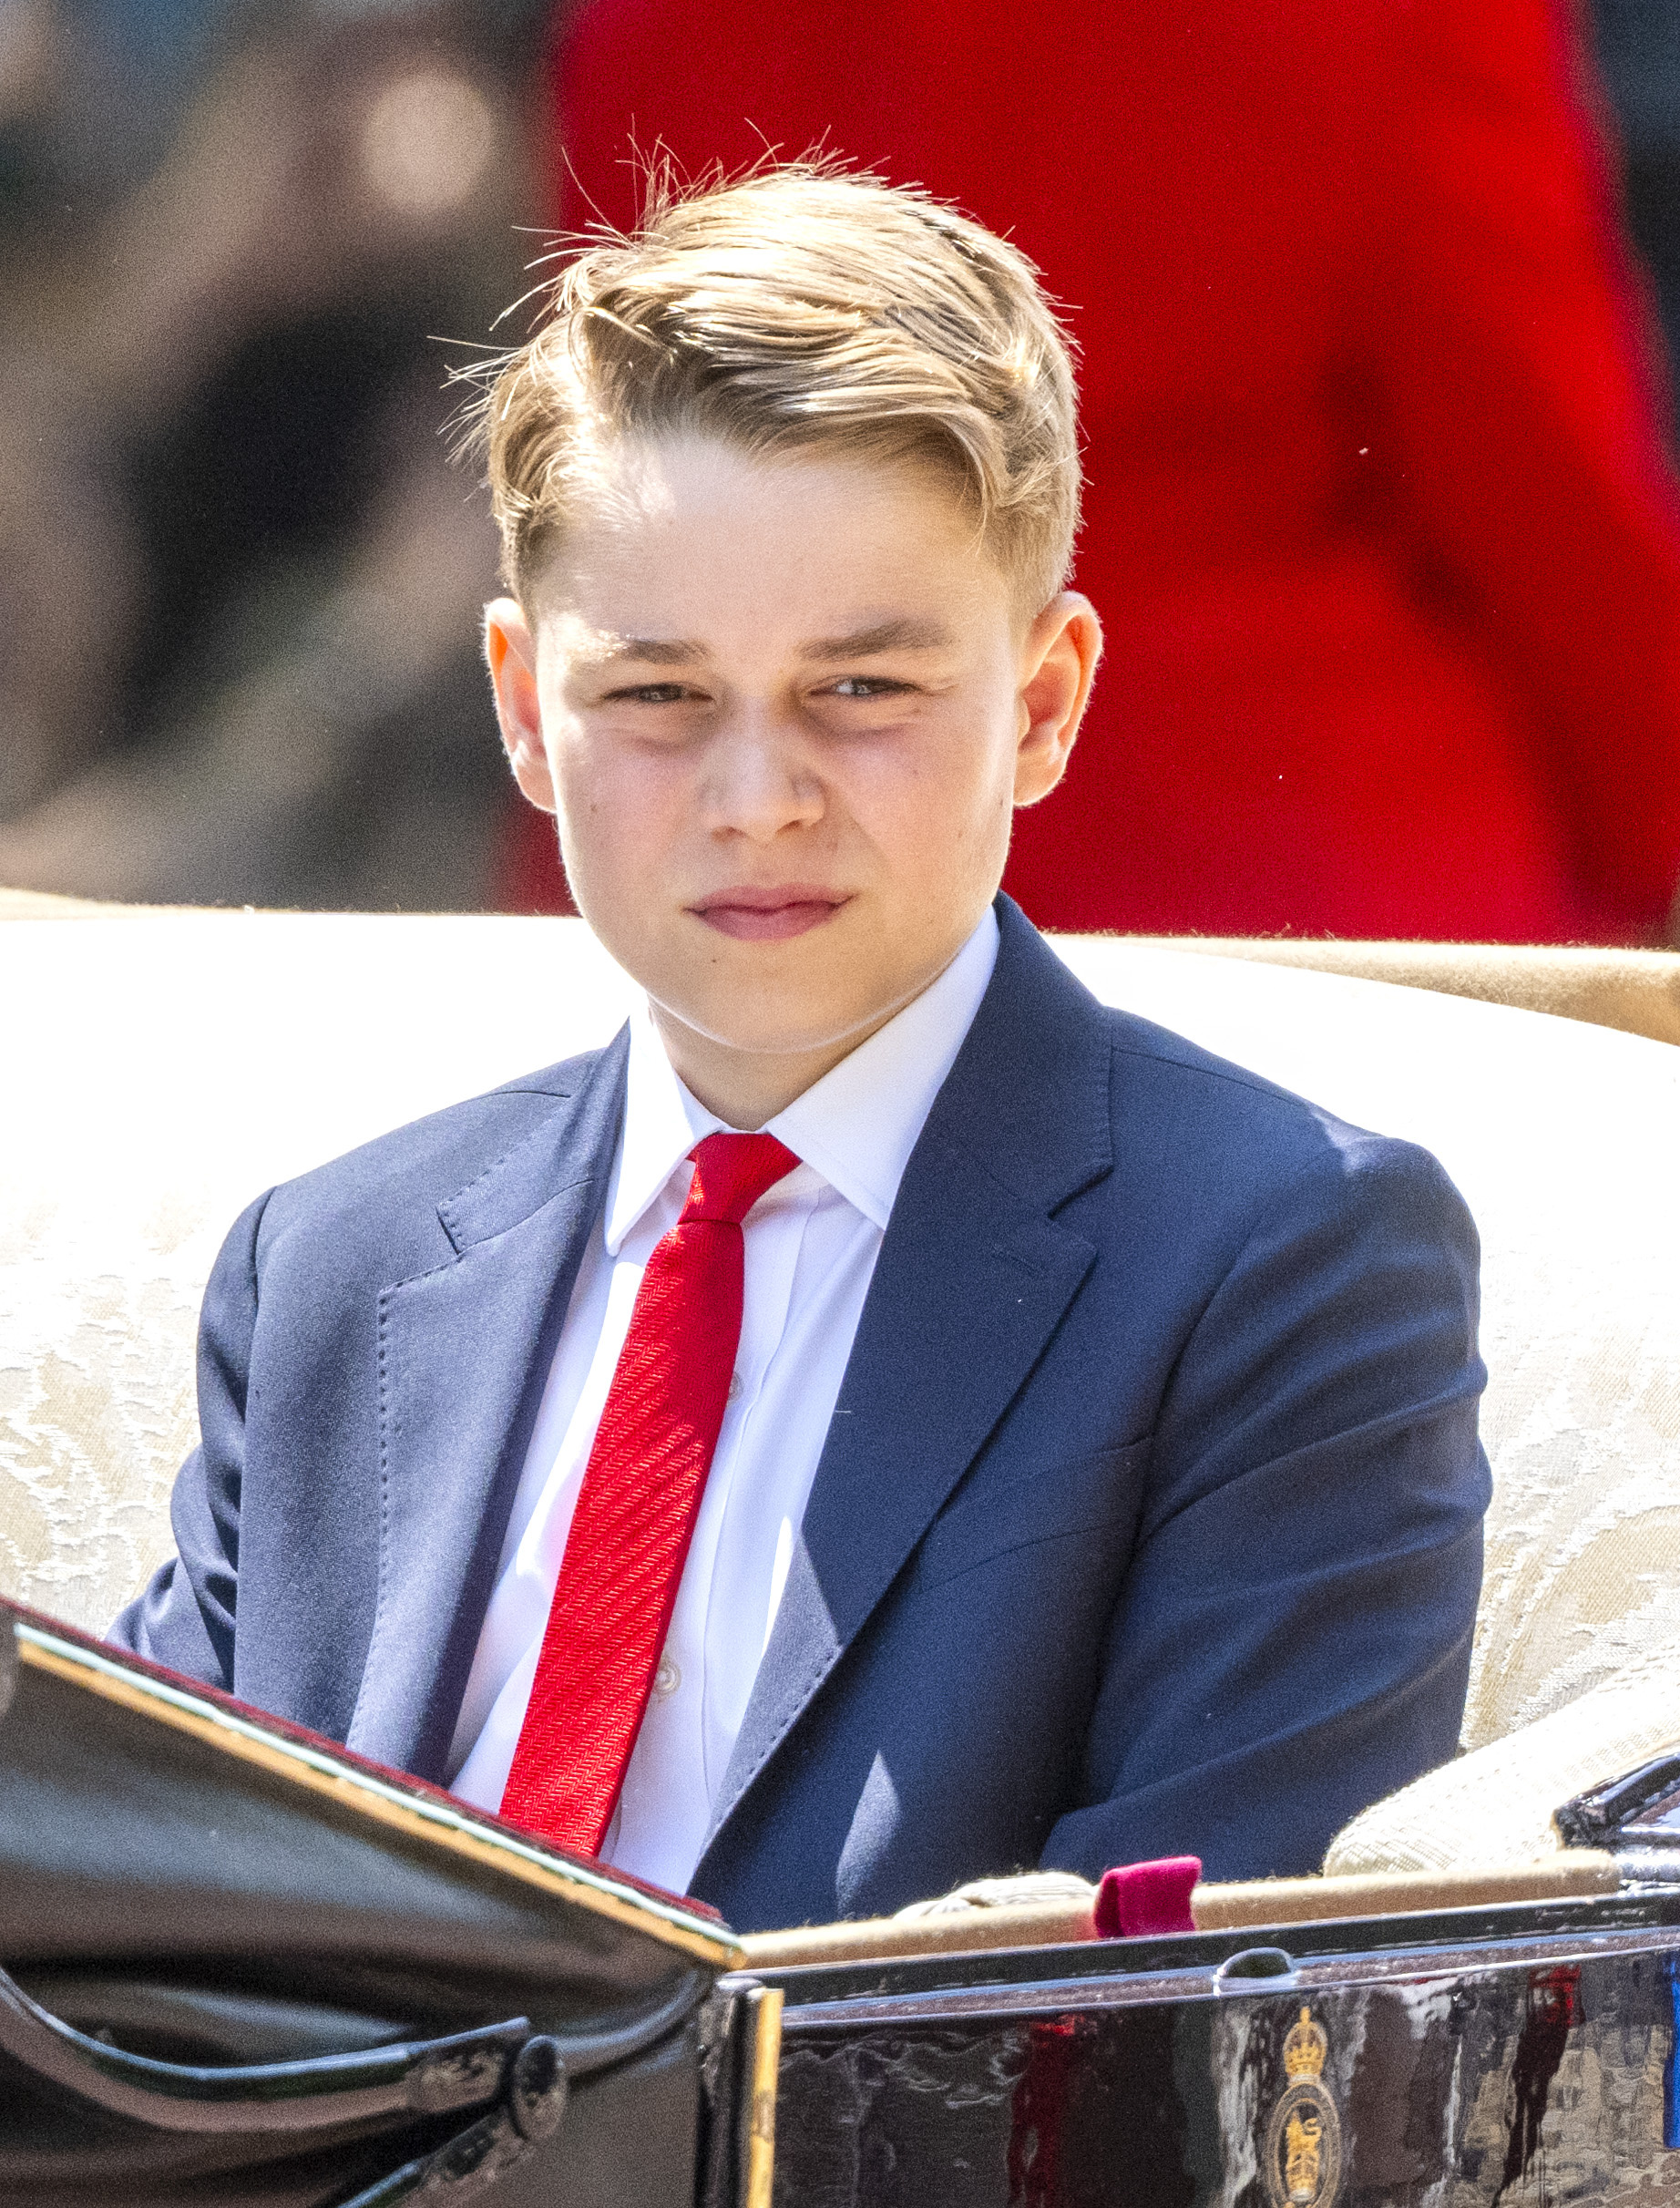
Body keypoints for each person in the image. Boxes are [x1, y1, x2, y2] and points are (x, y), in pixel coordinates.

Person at [112, 169, 1491, 1933]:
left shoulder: (1279, 1266)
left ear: (1042, 701)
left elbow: (1157, 2024)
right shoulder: (331, 1265)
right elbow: (134, 1916)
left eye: (861, 689)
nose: (756, 798)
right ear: (525, 707)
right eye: (657, 695)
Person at [513, 0, 1680, 944]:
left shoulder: (650, 26)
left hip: (764, 901)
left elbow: (612, 480)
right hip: (1297, 902)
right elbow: (1551, 506)